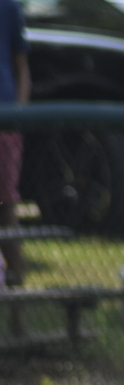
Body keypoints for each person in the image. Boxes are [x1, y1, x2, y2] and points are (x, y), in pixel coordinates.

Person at [0, 0, 28, 291]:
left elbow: (22, 67)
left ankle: (18, 306)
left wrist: (20, 112)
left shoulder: (9, 7)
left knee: (6, 209)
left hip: (4, 122)